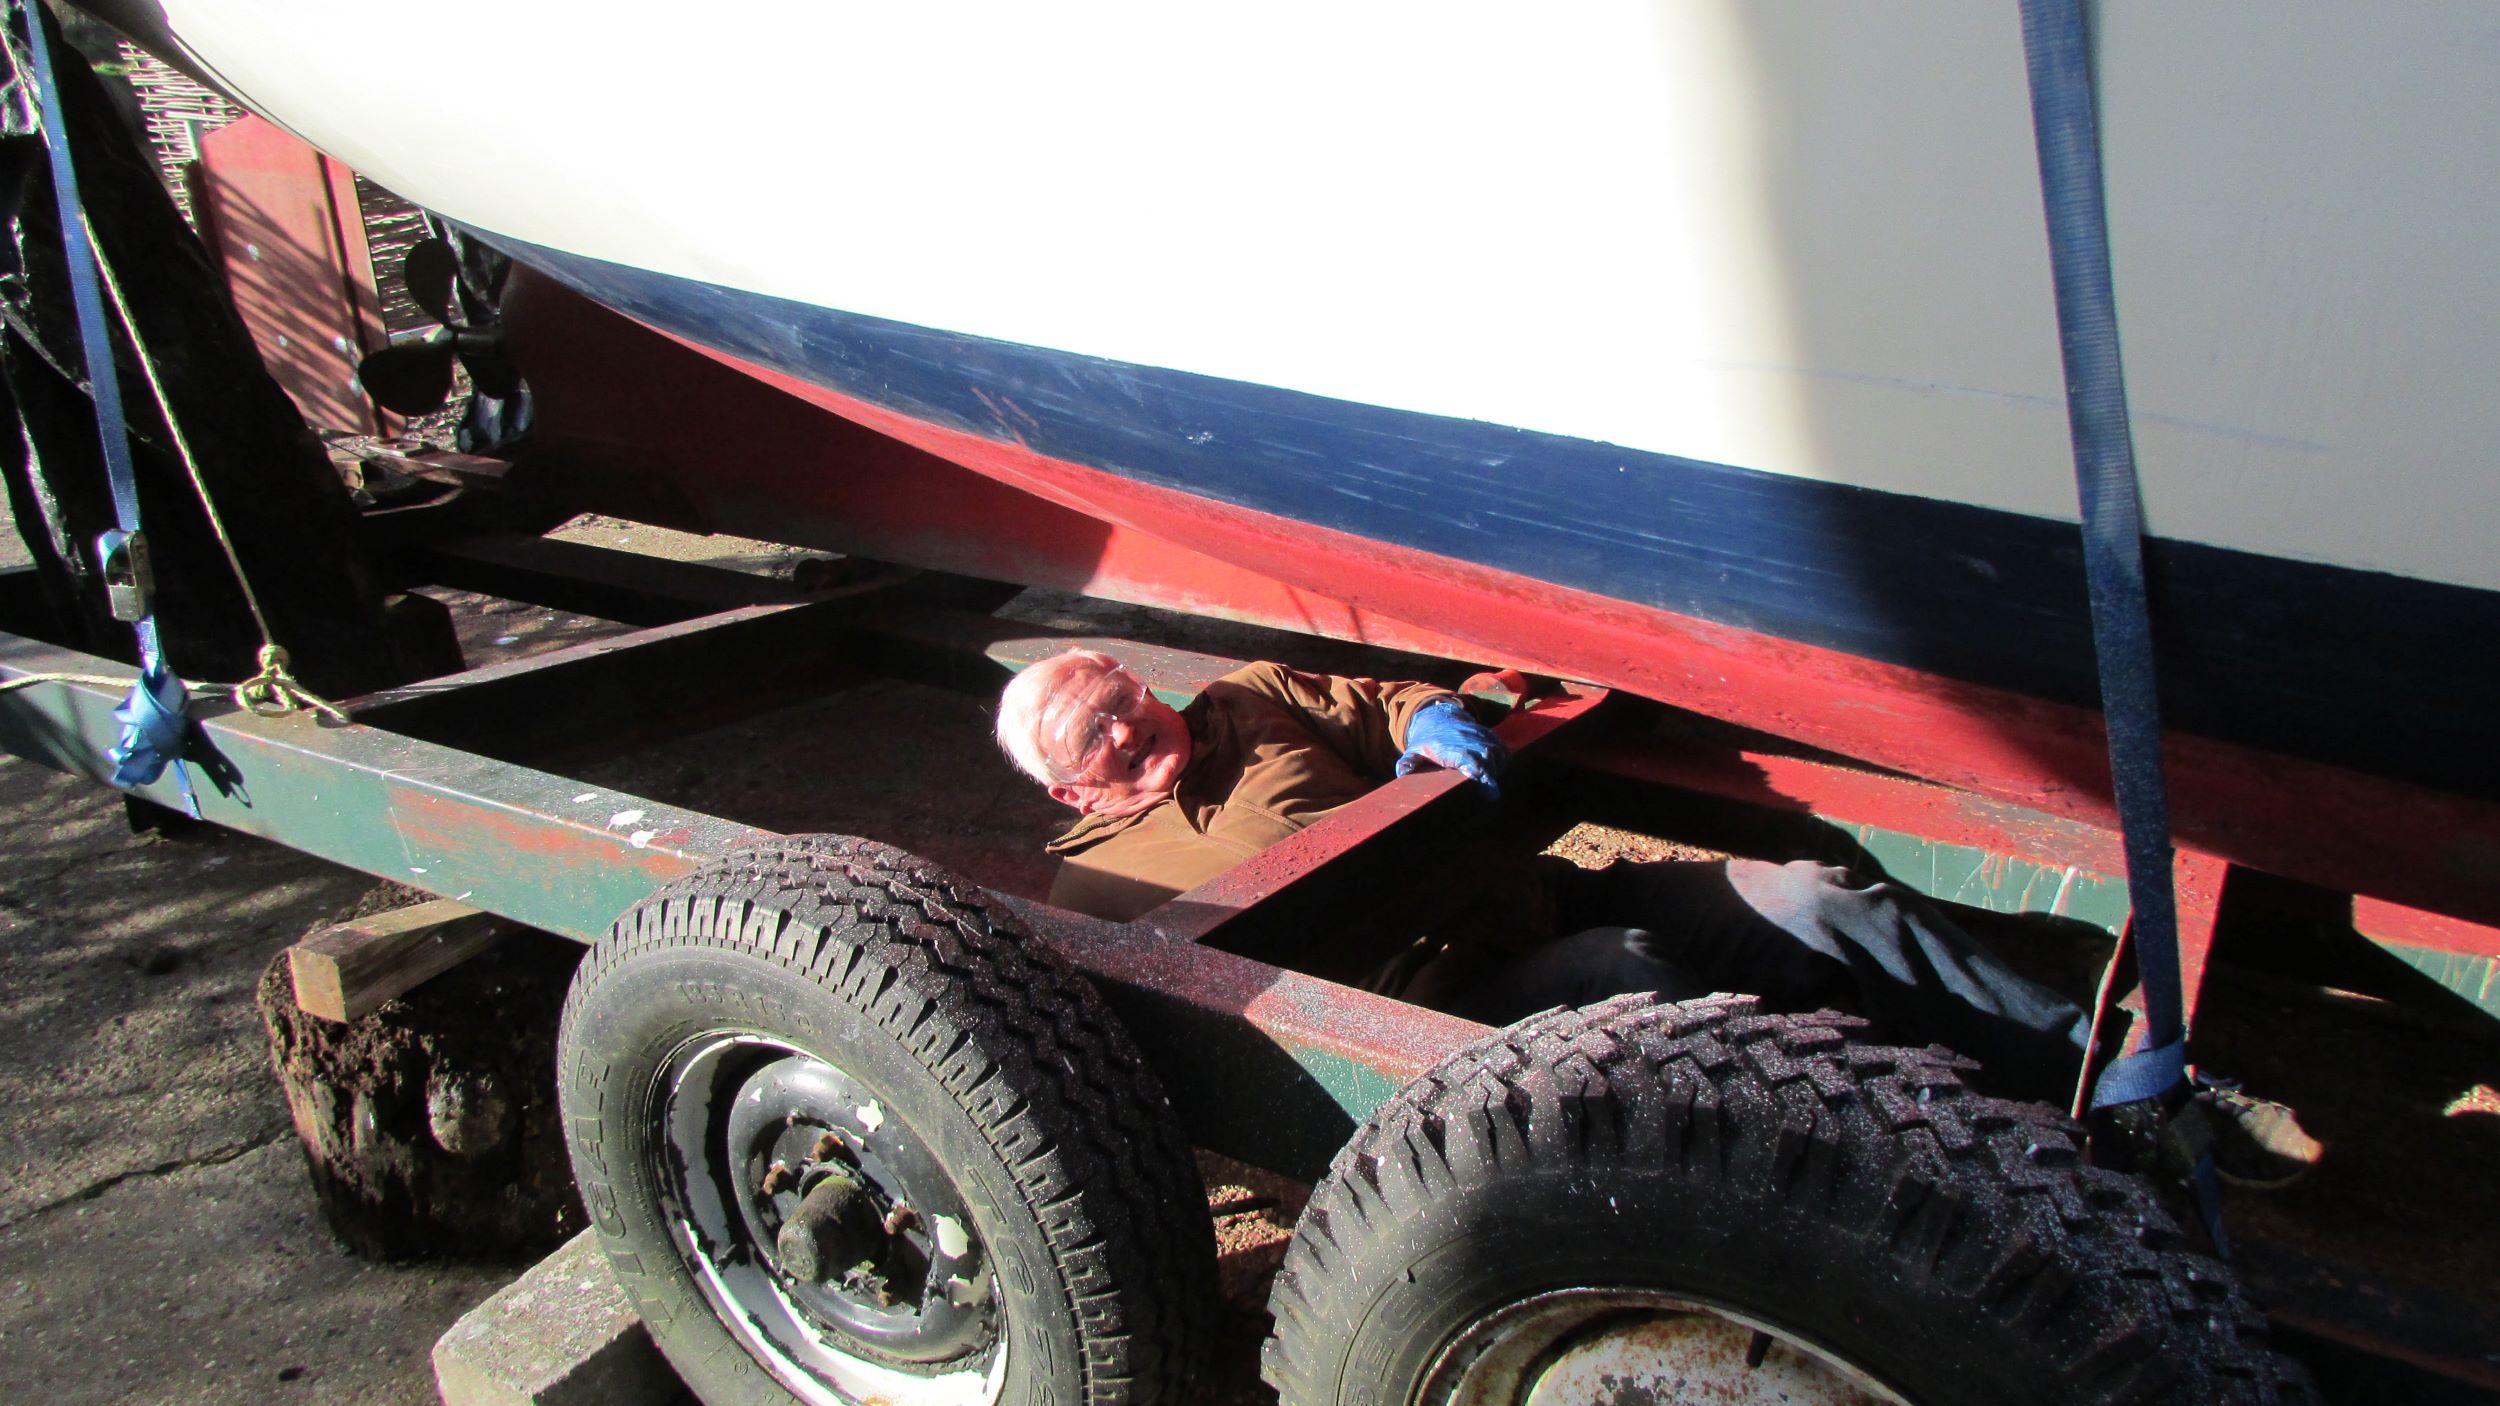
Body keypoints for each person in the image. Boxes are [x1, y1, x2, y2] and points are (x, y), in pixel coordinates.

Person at [995, 648, 2320, 1186]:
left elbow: (1389, 699)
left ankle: (2122, 1084)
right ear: (1068, 788)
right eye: (1092, 733)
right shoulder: (1098, 890)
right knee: (1632, 972)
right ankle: (1925, 1169)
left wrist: (1433, 717)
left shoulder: (1245, 696)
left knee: (1816, 898)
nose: (1125, 723)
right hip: (1442, 1006)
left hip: (1537, 895)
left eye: (1119, 693)